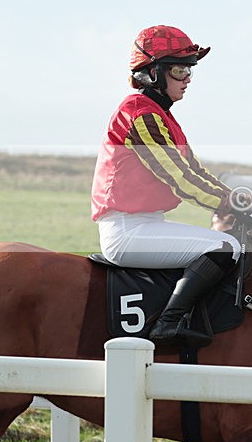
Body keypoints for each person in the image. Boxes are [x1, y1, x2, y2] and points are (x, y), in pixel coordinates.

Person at [91, 25, 241, 345]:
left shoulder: (160, 115)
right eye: (178, 69)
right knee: (226, 247)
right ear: (152, 73)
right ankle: (168, 324)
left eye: (189, 70)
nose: (187, 78)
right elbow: (180, 179)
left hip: (144, 225)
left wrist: (231, 199)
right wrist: (229, 204)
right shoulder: (140, 114)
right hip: (127, 231)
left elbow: (193, 170)